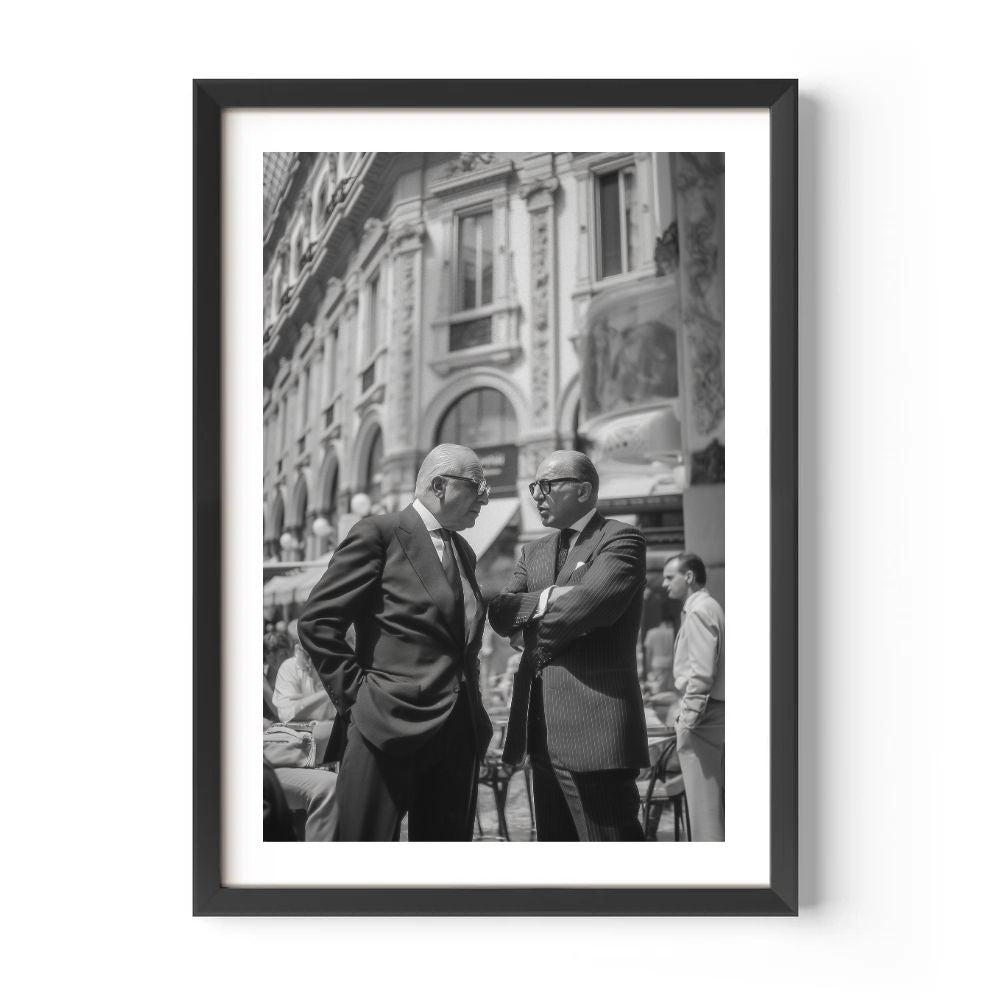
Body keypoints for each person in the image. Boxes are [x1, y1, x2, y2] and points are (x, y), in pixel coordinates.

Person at [298, 443, 495, 841]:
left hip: (457, 733)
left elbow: (460, 640)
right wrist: (360, 699)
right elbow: (319, 622)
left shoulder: (464, 551)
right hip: (385, 726)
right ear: (439, 485)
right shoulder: (379, 533)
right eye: (478, 486)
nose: (485, 498)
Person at [488, 450, 648, 841]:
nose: (536, 495)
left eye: (546, 485)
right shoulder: (533, 551)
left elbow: (587, 607)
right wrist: (550, 597)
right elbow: (500, 611)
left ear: (583, 490)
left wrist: (528, 630)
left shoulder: (620, 539)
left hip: (595, 731)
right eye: (534, 487)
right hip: (539, 731)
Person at [662, 552, 725, 841]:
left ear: (688, 577)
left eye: (669, 577)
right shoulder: (706, 607)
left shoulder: (700, 611)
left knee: (704, 814)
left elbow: (701, 674)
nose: (664, 584)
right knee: (710, 809)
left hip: (704, 717)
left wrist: (687, 719)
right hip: (709, 714)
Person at [272, 621, 337, 723]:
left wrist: (302, 703)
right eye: (307, 653)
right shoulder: (289, 666)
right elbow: (286, 714)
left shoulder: (337, 665)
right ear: (298, 646)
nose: (311, 660)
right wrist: (329, 694)